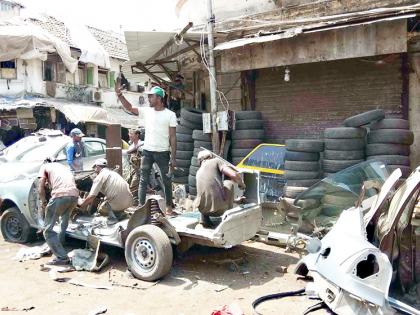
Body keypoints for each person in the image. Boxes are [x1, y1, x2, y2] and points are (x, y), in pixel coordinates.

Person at [115, 80, 177, 216]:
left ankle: (169, 207)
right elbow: (130, 108)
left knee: (166, 180)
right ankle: (141, 207)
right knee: (143, 180)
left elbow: (173, 137)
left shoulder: (170, 115)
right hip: (147, 151)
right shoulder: (147, 111)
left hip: (163, 152)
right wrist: (120, 95)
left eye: (151, 96)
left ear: (159, 98)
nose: (149, 98)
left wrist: (173, 158)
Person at [38, 158, 79, 265]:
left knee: (48, 230)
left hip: (60, 196)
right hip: (74, 196)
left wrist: (43, 202)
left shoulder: (44, 166)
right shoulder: (63, 167)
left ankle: (62, 257)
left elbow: (41, 187)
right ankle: (60, 245)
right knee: (64, 221)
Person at [194, 150, 246, 227]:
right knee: (228, 183)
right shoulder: (216, 161)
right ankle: (228, 218)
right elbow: (234, 175)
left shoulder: (198, 172)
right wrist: (242, 184)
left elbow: (211, 192)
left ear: (200, 161)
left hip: (202, 209)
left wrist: (235, 201)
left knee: (204, 188)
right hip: (219, 210)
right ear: (211, 156)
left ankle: (204, 220)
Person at [79, 158, 133, 224]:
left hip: (118, 203)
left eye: (94, 168)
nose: (94, 171)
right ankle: (120, 213)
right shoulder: (114, 173)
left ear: (97, 167)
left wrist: (82, 205)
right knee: (106, 199)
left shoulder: (100, 177)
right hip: (129, 202)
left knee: (101, 209)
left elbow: (92, 196)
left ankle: (113, 220)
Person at [127, 129, 143, 206]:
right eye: (129, 133)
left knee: (134, 187)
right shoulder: (131, 146)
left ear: (137, 135)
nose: (129, 135)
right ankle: (135, 202)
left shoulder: (142, 144)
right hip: (132, 170)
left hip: (140, 170)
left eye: (131, 133)